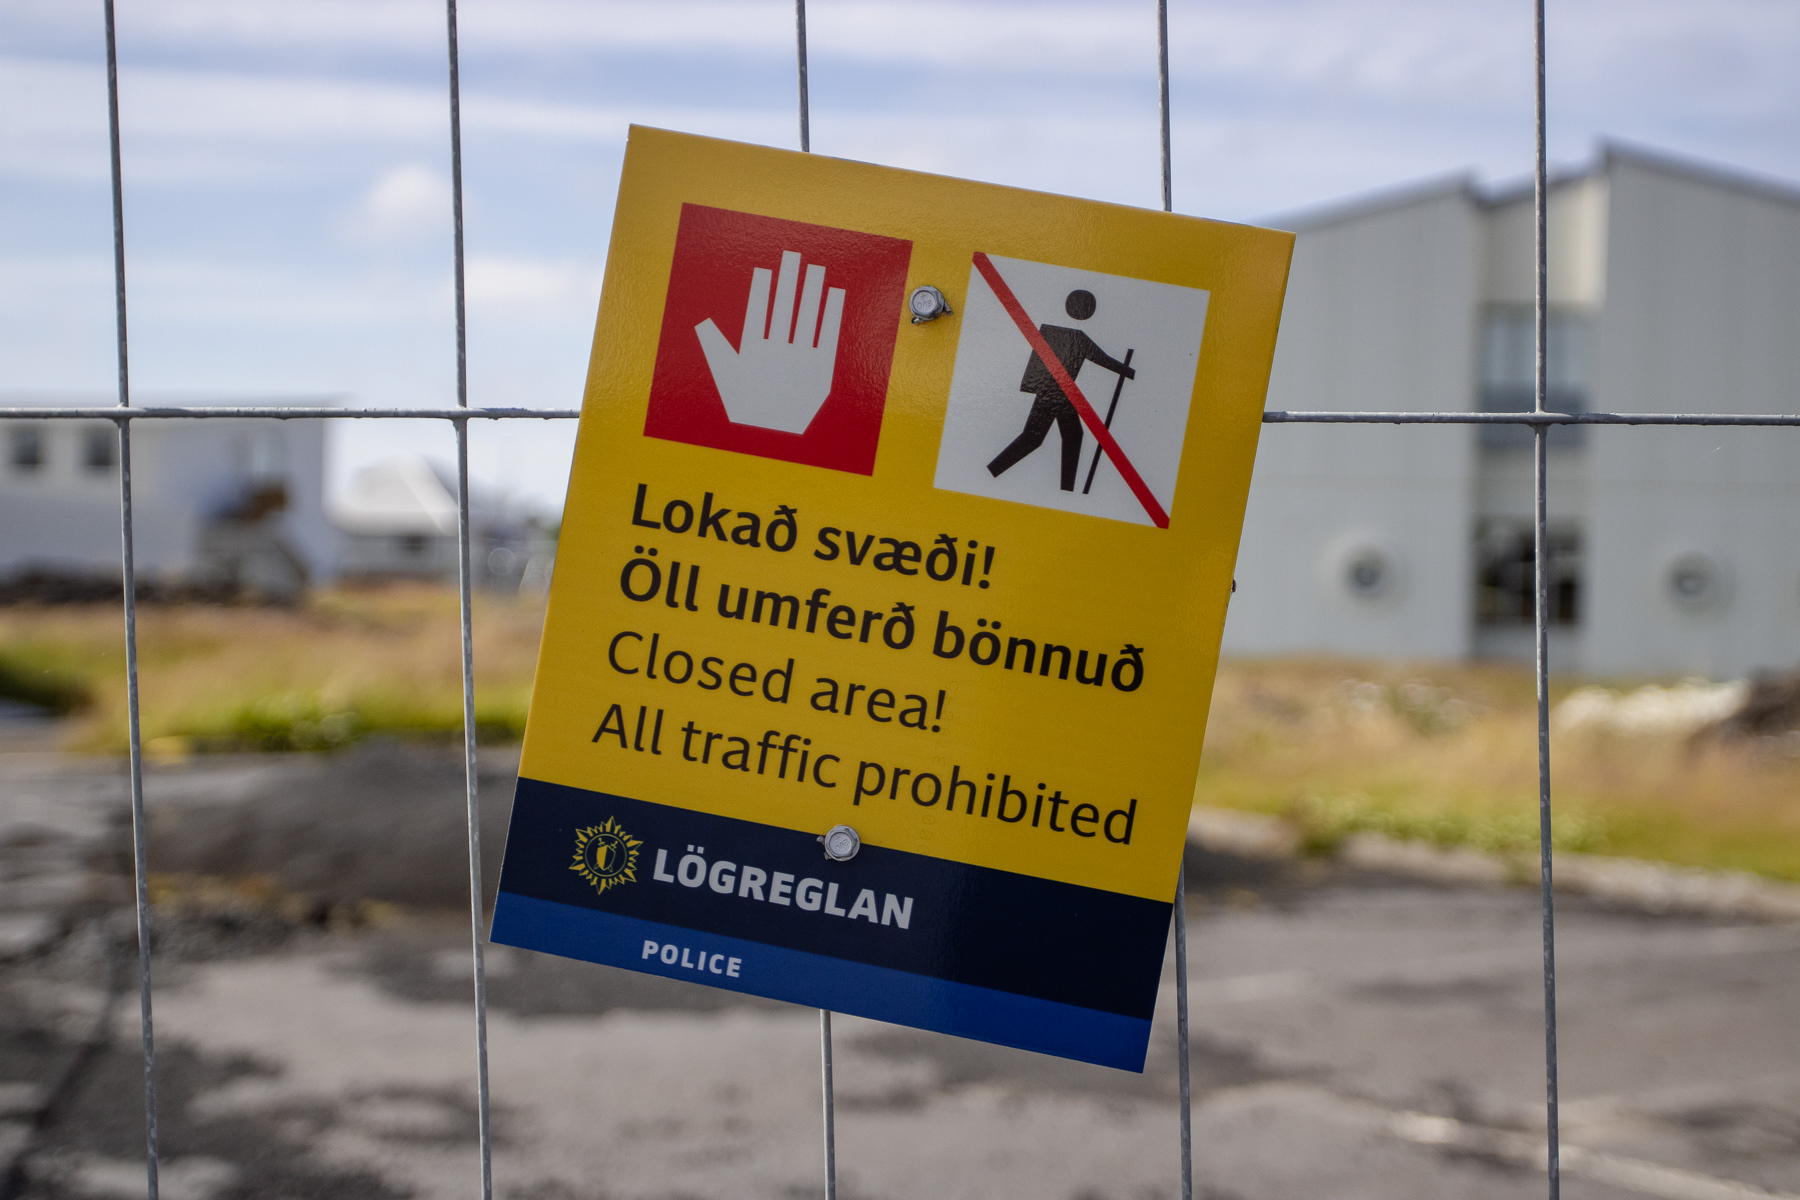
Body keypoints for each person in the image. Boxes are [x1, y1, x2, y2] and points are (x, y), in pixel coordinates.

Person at [985, 289, 1135, 491]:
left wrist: (1127, 371)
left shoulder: (1053, 332)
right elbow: (1102, 359)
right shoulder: (1075, 337)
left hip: (1057, 392)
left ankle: (1066, 488)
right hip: (1056, 393)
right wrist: (1126, 370)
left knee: (1061, 437)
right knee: (1036, 438)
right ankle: (995, 471)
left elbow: (1101, 359)